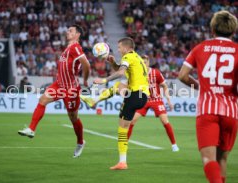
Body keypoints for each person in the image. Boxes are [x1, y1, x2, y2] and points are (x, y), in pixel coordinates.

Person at [178, 10, 238, 183]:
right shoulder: (237, 50)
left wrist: (201, 86)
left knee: (208, 159)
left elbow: (182, 75)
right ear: (233, 31)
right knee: (222, 160)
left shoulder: (200, 47)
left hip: (207, 110)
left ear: (212, 29)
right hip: (231, 112)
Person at [18, 24, 91, 158]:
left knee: (73, 118)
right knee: (42, 100)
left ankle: (80, 142)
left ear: (78, 35)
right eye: (68, 30)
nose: (67, 32)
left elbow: (86, 64)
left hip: (71, 89)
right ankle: (31, 129)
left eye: (71, 31)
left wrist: (85, 80)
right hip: (59, 85)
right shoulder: (67, 49)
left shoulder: (75, 47)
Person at [81, 55, 179, 152]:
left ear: (149, 62)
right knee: (132, 121)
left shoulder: (156, 73)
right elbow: (126, 79)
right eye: (142, 62)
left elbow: (164, 86)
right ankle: (124, 145)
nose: (144, 64)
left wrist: (169, 101)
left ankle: (174, 145)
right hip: (143, 99)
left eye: (145, 62)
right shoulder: (136, 72)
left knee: (165, 121)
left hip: (156, 100)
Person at [93, 37, 149, 170]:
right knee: (124, 126)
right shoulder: (137, 58)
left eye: (119, 47)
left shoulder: (128, 57)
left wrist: (104, 80)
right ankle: (122, 162)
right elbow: (120, 68)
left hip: (135, 95)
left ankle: (122, 162)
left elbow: (121, 72)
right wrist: (112, 62)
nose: (118, 50)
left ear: (126, 47)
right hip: (143, 96)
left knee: (122, 129)